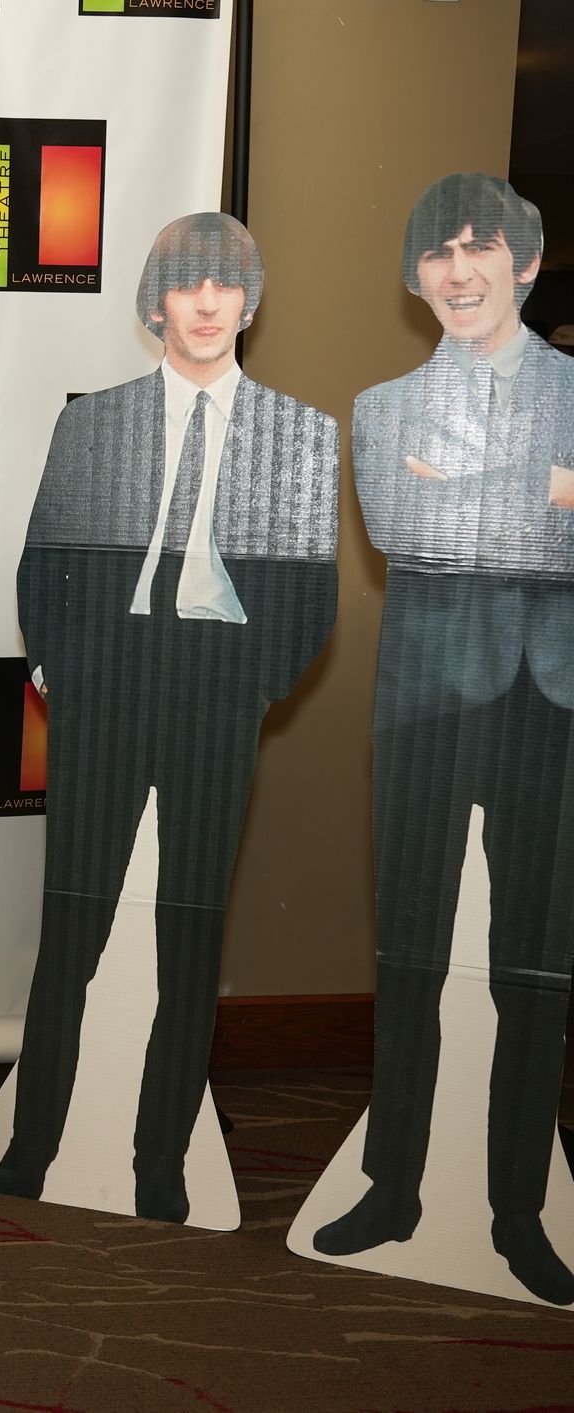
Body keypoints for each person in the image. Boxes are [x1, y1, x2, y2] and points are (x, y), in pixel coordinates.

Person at [0, 213, 340, 1224]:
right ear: (156, 304)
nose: (207, 303)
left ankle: (163, 1159)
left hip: (217, 693)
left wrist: (253, 686)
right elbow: (43, 561)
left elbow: (312, 594)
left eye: (226, 284)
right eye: (187, 284)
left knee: (189, 934)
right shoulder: (94, 424)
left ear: (250, 300)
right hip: (104, 686)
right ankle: (34, 1142)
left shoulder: (299, 435)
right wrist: (60, 671)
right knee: (75, 926)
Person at [314, 174, 574, 1306]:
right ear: (416, 276)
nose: (460, 271)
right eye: (439, 252)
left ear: (528, 262)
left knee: (534, 966)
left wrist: (471, 488)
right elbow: (403, 528)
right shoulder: (383, 408)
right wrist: (550, 490)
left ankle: (520, 1209)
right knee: (411, 954)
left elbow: (493, 531)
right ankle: (393, 1187)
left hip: (553, 705)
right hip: (423, 702)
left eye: (483, 248)